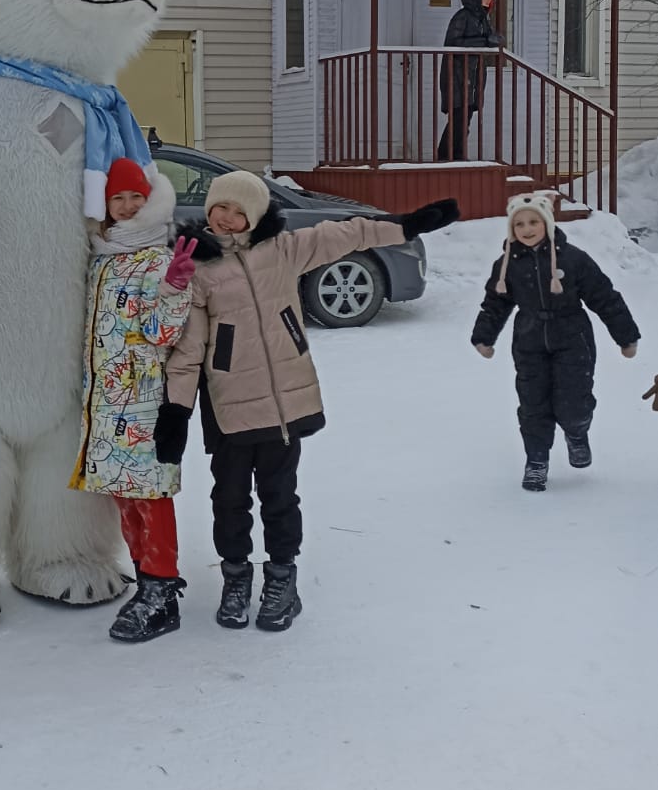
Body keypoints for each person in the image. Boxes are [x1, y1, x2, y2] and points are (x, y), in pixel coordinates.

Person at [156, 171, 458, 632]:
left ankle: (282, 579)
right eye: (221, 208)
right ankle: (235, 578)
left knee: (279, 496)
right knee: (229, 499)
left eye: (239, 211)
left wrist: (406, 225)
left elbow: (347, 233)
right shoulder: (199, 267)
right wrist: (176, 412)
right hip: (231, 408)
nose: (228, 218)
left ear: (256, 216)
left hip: (284, 404)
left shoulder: (283, 250)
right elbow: (187, 349)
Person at [69, 159, 196, 643]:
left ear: (149, 201)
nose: (126, 207)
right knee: (124, 494)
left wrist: (174, 288)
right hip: (102, 402)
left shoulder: (155, 259)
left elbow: (162, 332)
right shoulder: (100, 258)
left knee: (152, 494)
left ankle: (163, 588)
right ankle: (145, 577)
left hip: (141, 401)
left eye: (134, 198)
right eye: (117, 199)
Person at [471, 192, 640, 492]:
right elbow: (495, 304)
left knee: (573, 402)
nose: (526, 229)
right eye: (519, 224)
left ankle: (577, 434)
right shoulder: (507, 263)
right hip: (529, 340)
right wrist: (484, 337)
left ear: (546, 223)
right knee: (533, 404)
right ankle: (536, 461)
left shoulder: (573, 259)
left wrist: (625, 336)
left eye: (534, 221)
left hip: (572, 337)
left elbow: (604, 296)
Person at [437, 0, 503, 160]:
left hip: (473, 76)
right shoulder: (462, 17)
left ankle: (456, 156)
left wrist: (494, 40)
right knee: (458, 119)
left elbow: (489, 39)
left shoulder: (482, 19)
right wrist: (483, 41)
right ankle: (445, 156)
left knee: (465, 120)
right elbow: (453, 43)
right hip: (458, 75)